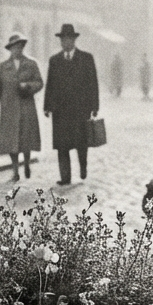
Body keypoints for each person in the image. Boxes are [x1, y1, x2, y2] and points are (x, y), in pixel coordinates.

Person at [43, 24, 100, 186]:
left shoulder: (86, 58)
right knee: (62, 145)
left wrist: (94, 106)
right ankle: (65, 177)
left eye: (68, 39)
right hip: (60, 110)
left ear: (74, 40)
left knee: (81, 143)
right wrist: (47, 106)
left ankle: (83, 166)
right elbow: (50, 84)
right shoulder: (54, 61)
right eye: (62, 40)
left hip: (80, 109)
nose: (65, 43)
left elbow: (93, 84)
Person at [0, 33, 43, 182]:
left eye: (19, 47)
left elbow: (39, 82)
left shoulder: (31, 64)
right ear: (10, 49)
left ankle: (26, 163)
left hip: (26, 107)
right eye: (14, 47)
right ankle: (15, 170)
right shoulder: (3, 66)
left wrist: (28, 86)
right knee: (11, 141)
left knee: (26, 138)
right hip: (9, 108)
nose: (16, 50)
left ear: (22, 48)